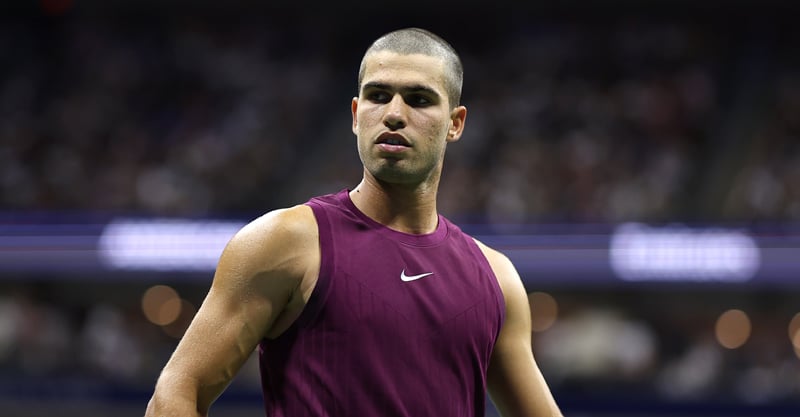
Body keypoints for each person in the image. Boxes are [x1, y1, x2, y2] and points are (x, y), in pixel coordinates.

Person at [144, 27, 563, 417]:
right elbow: (178, 390)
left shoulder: (496, 278)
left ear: (455, 124)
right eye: (379, 95)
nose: (394, 114)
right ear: (355, 113)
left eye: (419, 99)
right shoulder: (286, 242)